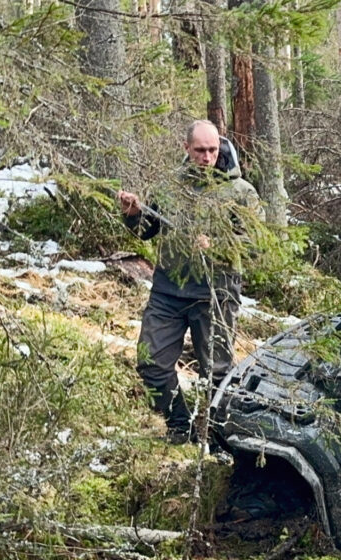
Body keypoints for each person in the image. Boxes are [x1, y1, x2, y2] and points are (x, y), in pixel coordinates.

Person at [118, 120, 265, 443]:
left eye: (213, 150)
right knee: (150, 364)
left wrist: (218, 245)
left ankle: (216, 437)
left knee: (217, 373)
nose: (207, 156)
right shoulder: (170, 186)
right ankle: (178, 424)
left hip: (215, 294)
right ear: (186, 149)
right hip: (167, 292)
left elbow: (256, 244)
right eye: (200, 150)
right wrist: (131, 213)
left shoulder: (241, 193)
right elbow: (148, 229)